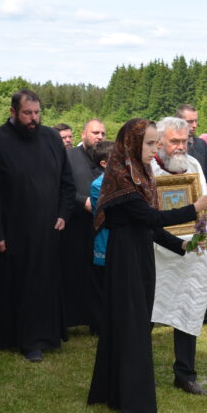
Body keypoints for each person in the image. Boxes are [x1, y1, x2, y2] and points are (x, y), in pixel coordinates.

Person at [87, 118, 207, 413]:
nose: (154, 148)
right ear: (132, 144)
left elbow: (146, 227)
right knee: (133, 331)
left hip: (139, 253)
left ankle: (114, 393)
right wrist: (195, 207)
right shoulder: (122, 177)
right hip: (126, 259)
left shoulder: (138, 173)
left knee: (128, 329)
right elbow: (150, 217)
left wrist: (181, 246)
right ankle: (136, 406)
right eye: (149, 143)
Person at [0, 89, 75, 362]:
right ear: (13, 113)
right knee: (16, 285)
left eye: (37, 113)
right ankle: (20, 340)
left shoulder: (51, 138)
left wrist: (64, 212)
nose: (33, 119)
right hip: (12, 231)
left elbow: (67, 180)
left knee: (44, 283)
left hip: (48, 229)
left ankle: (45, 336)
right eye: (27, 113)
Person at [151, 117, 207, 394]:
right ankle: (141, 370)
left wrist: (202, 236)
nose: (180, 147)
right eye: (174, 141)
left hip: (191, 250)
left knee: (189, 306)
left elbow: (202, 205)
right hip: (156, 250)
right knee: (148, 311)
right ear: (160, 142)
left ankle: (185, 373)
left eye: (184, 141)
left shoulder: (194, 165)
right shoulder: (149, 168)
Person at [175, 104, 207, 323]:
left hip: (202, 209)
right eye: (189, 122)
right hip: (178, 209)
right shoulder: (169, 145)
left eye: (196, 121)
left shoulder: (201, 145)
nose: (194, 126)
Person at [62, 119, 106, 331]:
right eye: (95, 132)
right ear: (83, 134)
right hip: (76, 224)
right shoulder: (69, 157)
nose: (99, 137)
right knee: (74, 272)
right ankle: (72, 319)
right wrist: (83, 201)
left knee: (99, 275)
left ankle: (97, 321)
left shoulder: (107, 158)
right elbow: (61, 186)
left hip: (102, 227)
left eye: (103, 133)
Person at [88, 140, 115, 327]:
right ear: (104, 164)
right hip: (106, 238)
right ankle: (100, 323)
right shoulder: (98, 185)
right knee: (104, 283)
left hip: (119, 237)